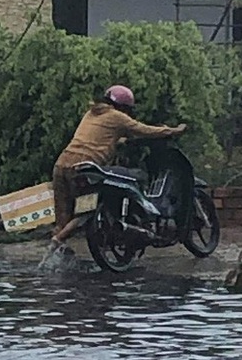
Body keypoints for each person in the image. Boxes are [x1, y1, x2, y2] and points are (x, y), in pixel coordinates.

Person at [42, 85, 187, 265]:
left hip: (61, 164)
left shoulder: (92, 113)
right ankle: (57, 241)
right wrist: (172, 130)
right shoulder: (117, 117)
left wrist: (121, 141)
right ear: (124, 107)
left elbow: (102, 137)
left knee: (63, 214)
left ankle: (58, 253)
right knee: (87, 210)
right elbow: (144, 130)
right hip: (83, 167)